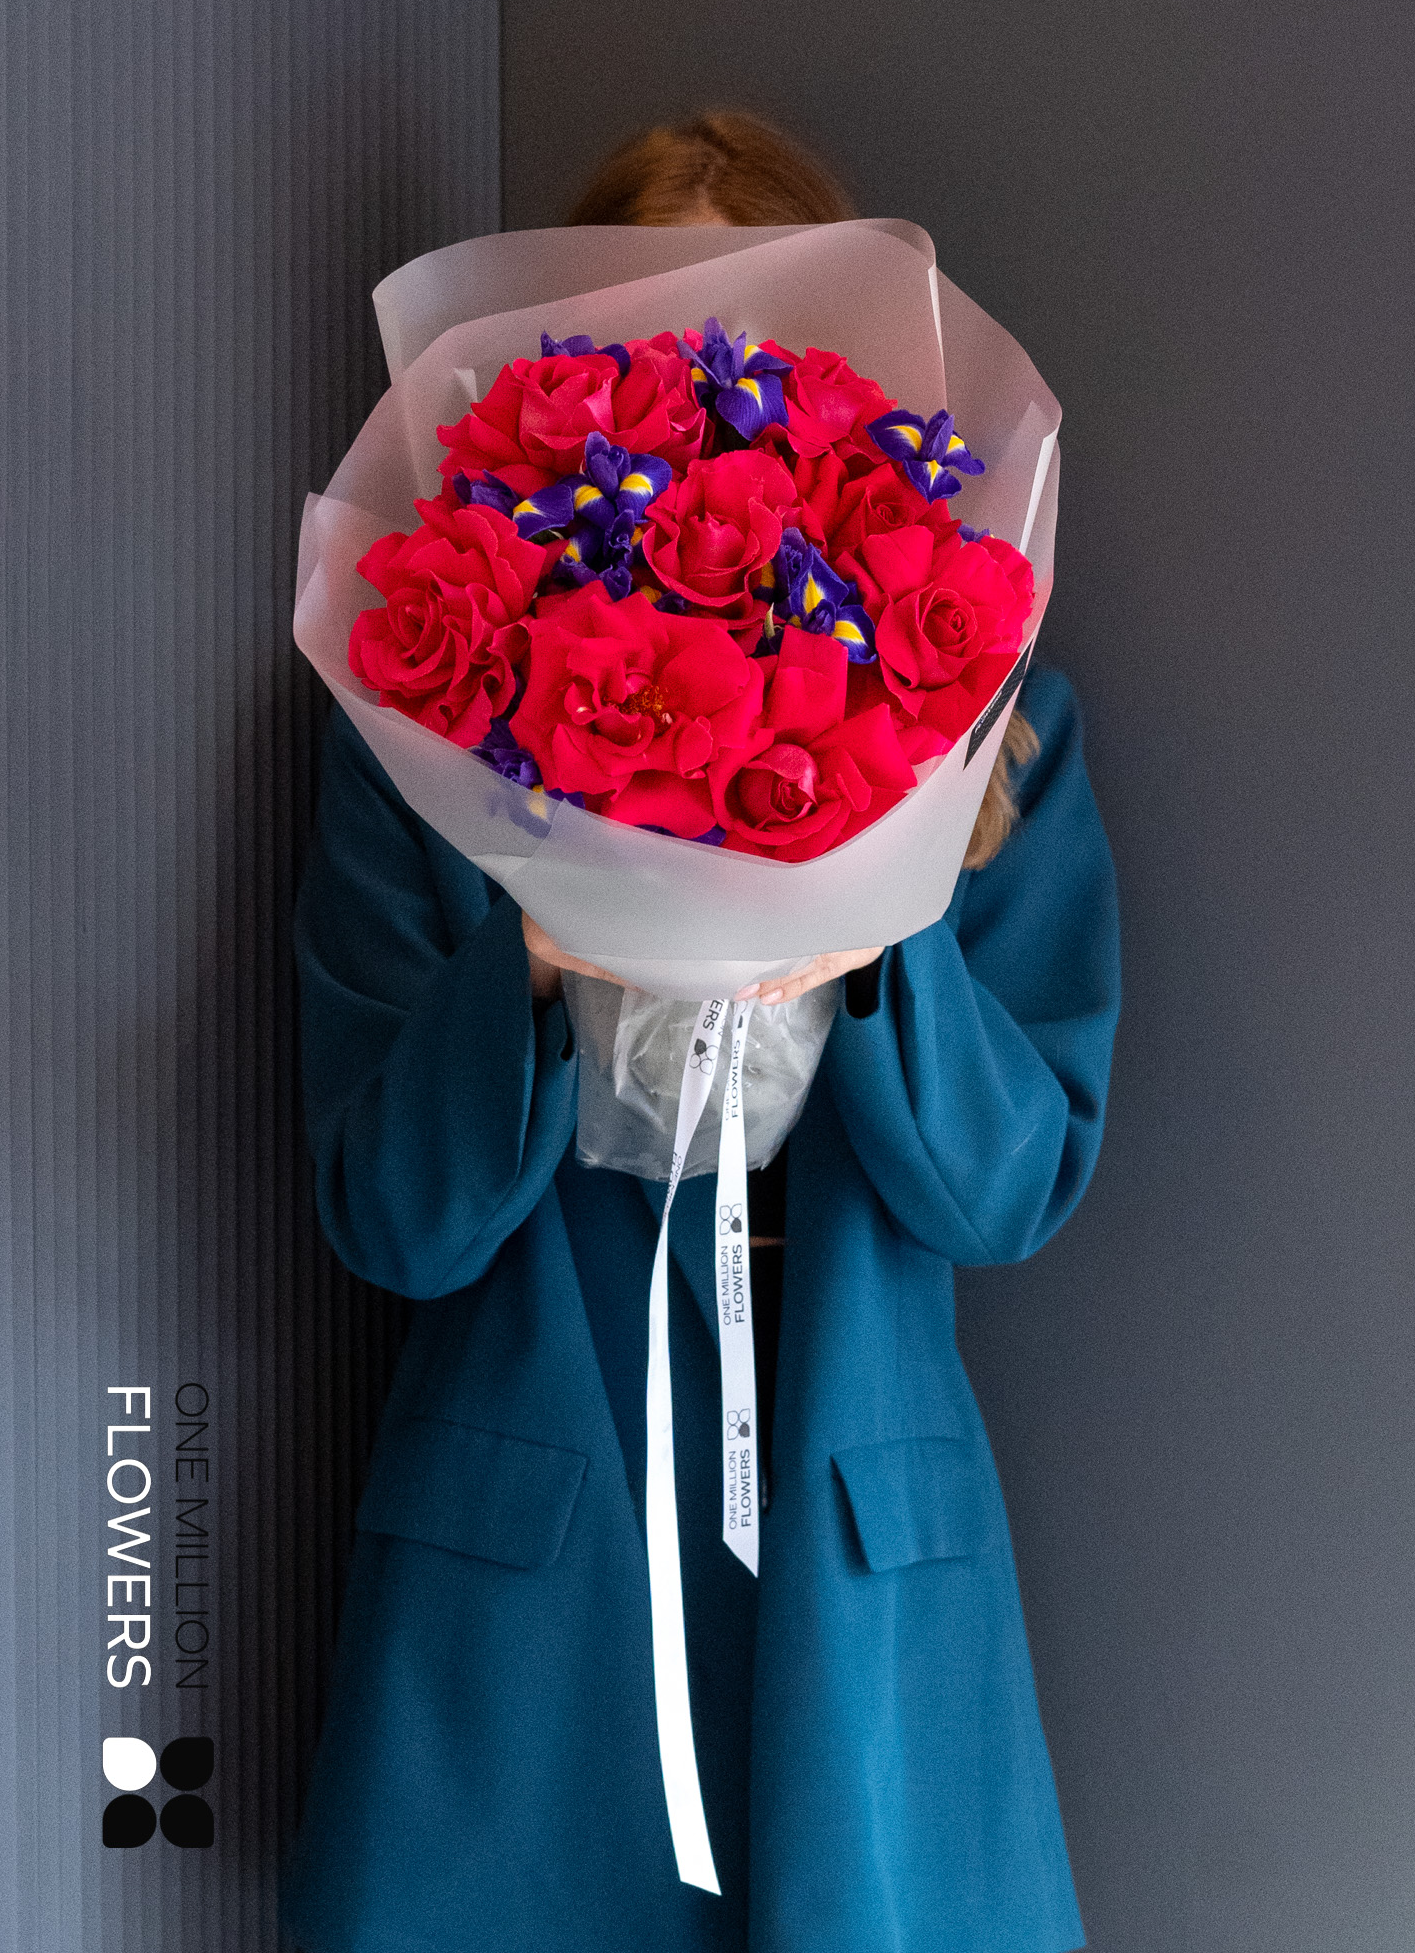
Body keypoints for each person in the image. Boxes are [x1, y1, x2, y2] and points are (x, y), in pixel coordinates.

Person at [281, 111, 1122, 1953]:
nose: (706, 389)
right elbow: (392, 1219)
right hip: (530, 1534)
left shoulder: (997, 727)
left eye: (761, 338)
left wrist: (881, 919)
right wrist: (532, 941)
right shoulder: (411, 717)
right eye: (648, 335)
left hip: (854, 1550)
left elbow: (1009, 1188)